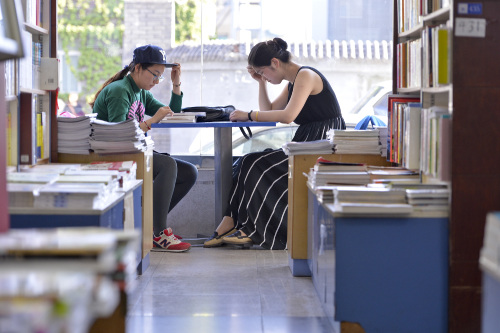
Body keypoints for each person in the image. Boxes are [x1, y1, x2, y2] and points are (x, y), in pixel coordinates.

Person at [203, 37, 345, 250]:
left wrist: (249, 115)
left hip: (322, 142)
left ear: (275, 63)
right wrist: (260, 83)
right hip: (307, 140)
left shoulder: (305, 75)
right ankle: (231, 221)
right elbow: (269, 111)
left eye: (263, 72)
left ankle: (249, 229)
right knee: (245, 161)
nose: (265, 77)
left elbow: (287, 116)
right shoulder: (292, 83)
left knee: (255, 164)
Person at [90, 44, 197, 252]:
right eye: (154, 75)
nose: (156, 81)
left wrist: (176, 84)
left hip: (134, 150)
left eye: (160, 77)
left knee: (189, 172)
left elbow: (171, 111)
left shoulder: (140, 92)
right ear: (138, 68)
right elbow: (118, 136)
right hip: (114, 154)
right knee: (167, 165)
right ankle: (159, 232)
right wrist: (151, 121)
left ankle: (150, 226)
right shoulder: (120, 91)